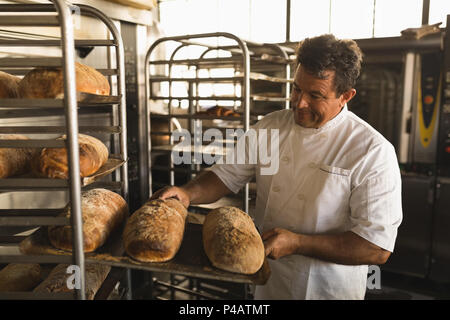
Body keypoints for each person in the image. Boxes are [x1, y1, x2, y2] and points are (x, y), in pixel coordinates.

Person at [151, 34, 403, 300]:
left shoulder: (371, 151)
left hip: (326, 289)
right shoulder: (272, 127)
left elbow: (376, 247)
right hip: (269, 282)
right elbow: (225, 175)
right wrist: (189, 193)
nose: (299, 102)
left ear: (346, 96)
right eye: (296, 89)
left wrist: (298, 243)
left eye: (315, 95)